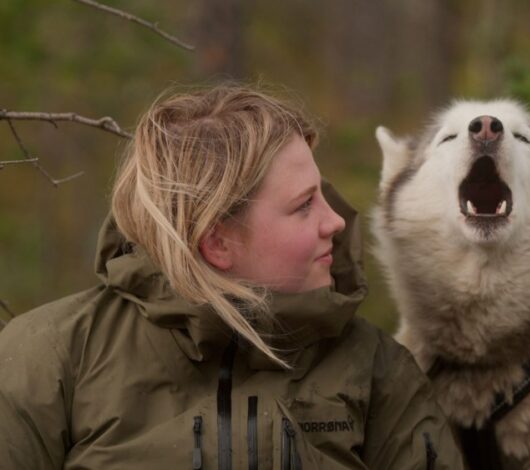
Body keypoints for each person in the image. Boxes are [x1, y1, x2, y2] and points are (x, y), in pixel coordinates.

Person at [0, 85, 464, 469]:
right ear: (217, 242)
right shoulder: (50, 361)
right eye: (303, 206)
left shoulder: (378, 371)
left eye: (322, 195)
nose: (336, 222)